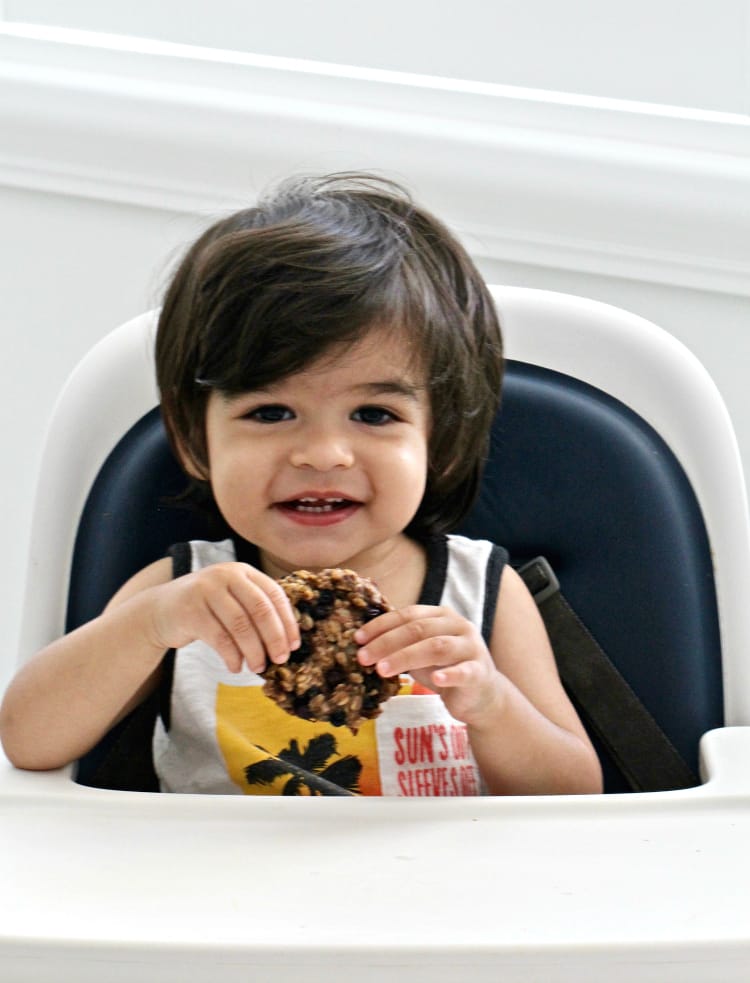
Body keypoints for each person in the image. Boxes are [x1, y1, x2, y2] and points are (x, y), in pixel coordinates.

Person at [0, 173, 602, 796]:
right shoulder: (181, 593)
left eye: (374, 415)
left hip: (437, 887)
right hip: (210, 885)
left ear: (439, 441)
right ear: (193, 439)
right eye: (270, 413)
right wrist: (152, 624)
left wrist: (489, 702)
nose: (322, 455)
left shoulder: (481, 596)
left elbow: (575, 793)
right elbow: (28, 738)